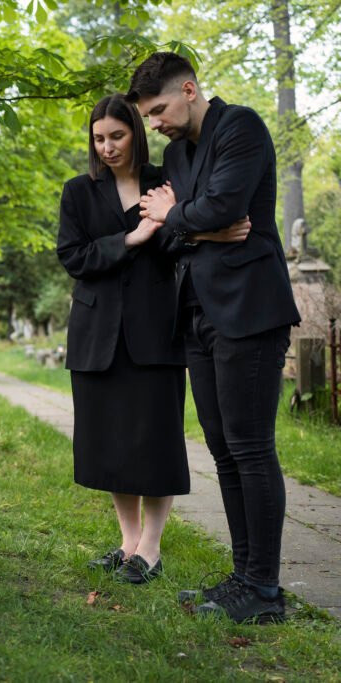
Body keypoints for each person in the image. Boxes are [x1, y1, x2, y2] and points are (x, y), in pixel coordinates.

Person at [129, 52, 301, 623]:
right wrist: (194, 221)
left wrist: (182, 212)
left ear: (190, 88)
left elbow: (225, 206)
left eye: (159, 110)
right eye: (148, 116)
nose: (154, 124)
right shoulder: (178, 153)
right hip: (197, 315)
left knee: (251, 449)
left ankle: (265, 592)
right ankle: (243, 577)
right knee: (224, 452)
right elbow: (172, 236)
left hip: (250, 310)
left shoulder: (241, 127)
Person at [58, 94, 250, 585]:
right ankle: (127, 543)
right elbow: (73, 257)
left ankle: (152, 547)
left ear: (136, 134)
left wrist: (205, 234)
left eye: (117, 136)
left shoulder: (165, 181)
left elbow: (181, 238)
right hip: (97, 337)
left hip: (157, 329)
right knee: (113, 445)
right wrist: (129, 239)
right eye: (99, 138)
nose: (107, 147)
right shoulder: (78, 191)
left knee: (155, 441)